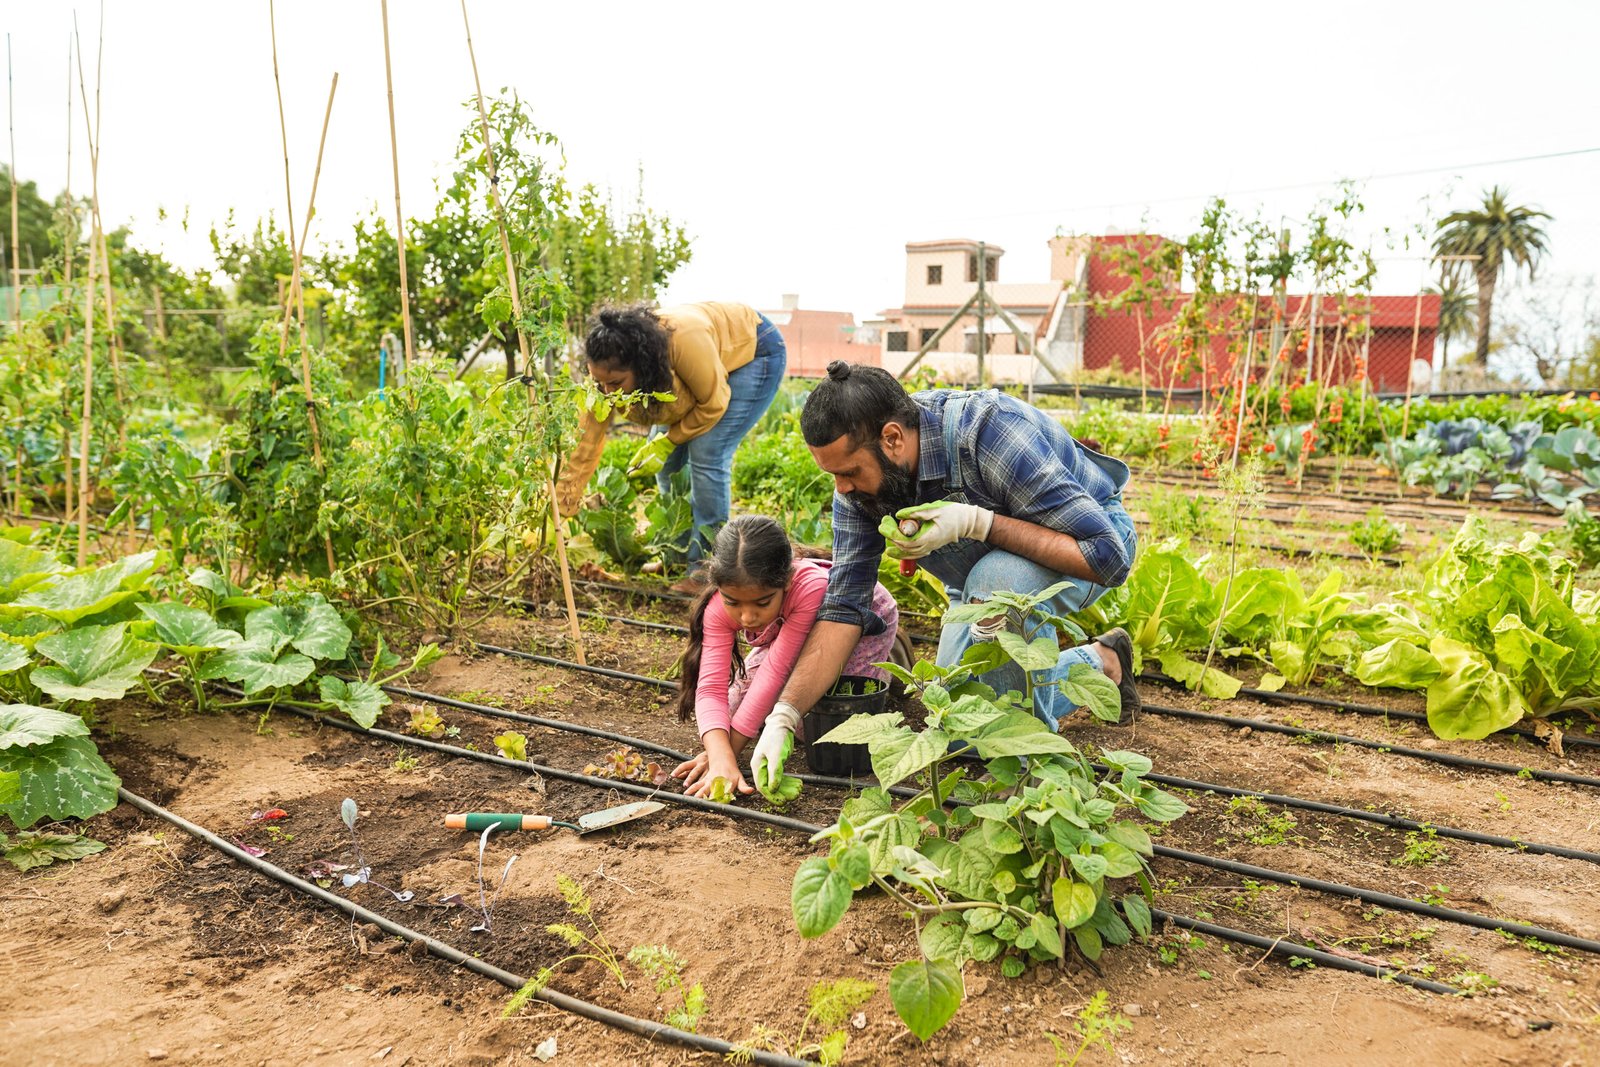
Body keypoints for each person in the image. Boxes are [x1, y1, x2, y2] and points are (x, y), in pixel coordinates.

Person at [766, 361, 1141, 732]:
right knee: (955, 722)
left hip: (1085, 542)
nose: (842, 488)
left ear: (892, 438)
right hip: (976, 584)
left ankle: (1030, 759)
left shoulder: (988, 433)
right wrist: (785, 714)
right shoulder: (858, 489)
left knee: (998, 589)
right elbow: (845, 609)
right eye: (833, 475)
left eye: (848, 472)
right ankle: (1101, 663)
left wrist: (977, 523)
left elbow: (1108, 558)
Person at [555, 302, 787, 593]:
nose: (608, 392)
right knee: (665, 464)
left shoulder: (684, 340)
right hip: (701, 365)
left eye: (616, 383)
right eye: (600, 383)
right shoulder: (605, 374)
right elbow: (587, 437)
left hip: (754, 352)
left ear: (641, 366)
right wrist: (563, 498)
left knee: (707, 452)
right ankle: (675, 555)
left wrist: (669, 441)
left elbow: (713, 403)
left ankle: (706, 569)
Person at [670, 515, 900, 798]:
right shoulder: (719, 607)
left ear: (787, 582)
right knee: (732, 709)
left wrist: (727, 756)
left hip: (857, 624)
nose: (747, 617)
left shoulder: (809, 588)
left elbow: (775, 674)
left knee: (815, 728)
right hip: (787, 633)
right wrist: (720, 757)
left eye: (762, 602)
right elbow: (710, 688)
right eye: (733, 602)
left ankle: (889, 662)